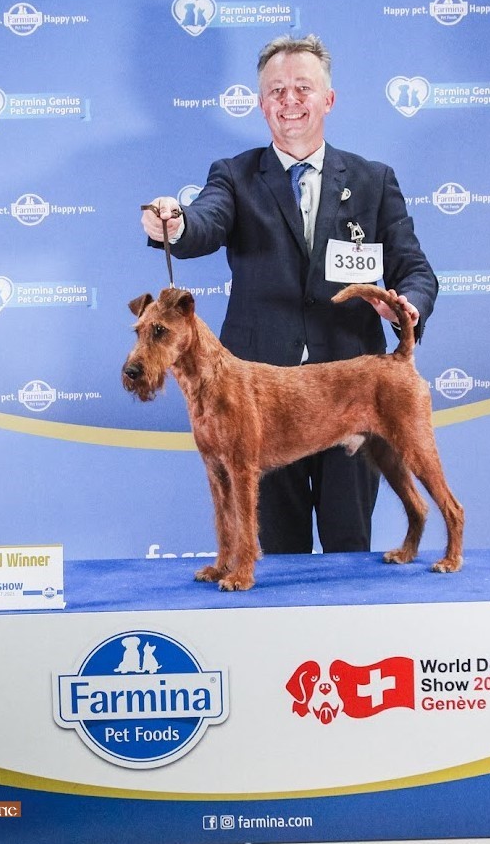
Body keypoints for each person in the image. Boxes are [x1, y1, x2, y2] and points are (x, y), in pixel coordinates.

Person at [141, 34, 438, 556]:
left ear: (329, 99)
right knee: (276, 558)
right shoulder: (232, 176)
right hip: (256, 399)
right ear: (260, 104)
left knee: (350, 549)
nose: (290, 100)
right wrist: (175, 223)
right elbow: (203, 223)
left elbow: (415, 267)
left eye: (303, 87)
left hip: (349, 391)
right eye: (276, 90)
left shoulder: (374, 180)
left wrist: (406, 303)